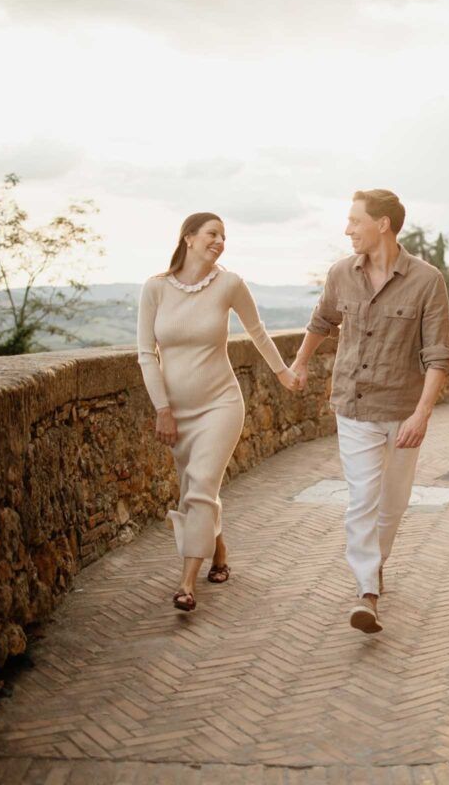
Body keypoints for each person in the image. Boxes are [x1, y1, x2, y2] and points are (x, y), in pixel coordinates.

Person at [291, 189, 449, 633]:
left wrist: (422, 415)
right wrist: (301, 362)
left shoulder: (426, 280)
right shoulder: (341, 273)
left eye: (354, 221)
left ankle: (374, 565)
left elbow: (438, 354)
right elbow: (322, 322)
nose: (347, 229)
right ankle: (367, 590)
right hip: (354, 405)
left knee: (394, 504)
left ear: (382, 224)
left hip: (402, 409)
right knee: (362, 498)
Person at [137, 212, 298, 611]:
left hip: (221, 404)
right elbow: (145, 354)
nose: (220, 241)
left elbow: (257, 331)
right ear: (188, 238)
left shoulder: (230, 284)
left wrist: (283, 373)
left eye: (224, 236)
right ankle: (219, 552)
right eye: (212, 233)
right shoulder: (155, 289)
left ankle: (187, 584)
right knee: (196, 490)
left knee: (202, 484)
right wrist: (162, 409)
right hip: (177, 410)